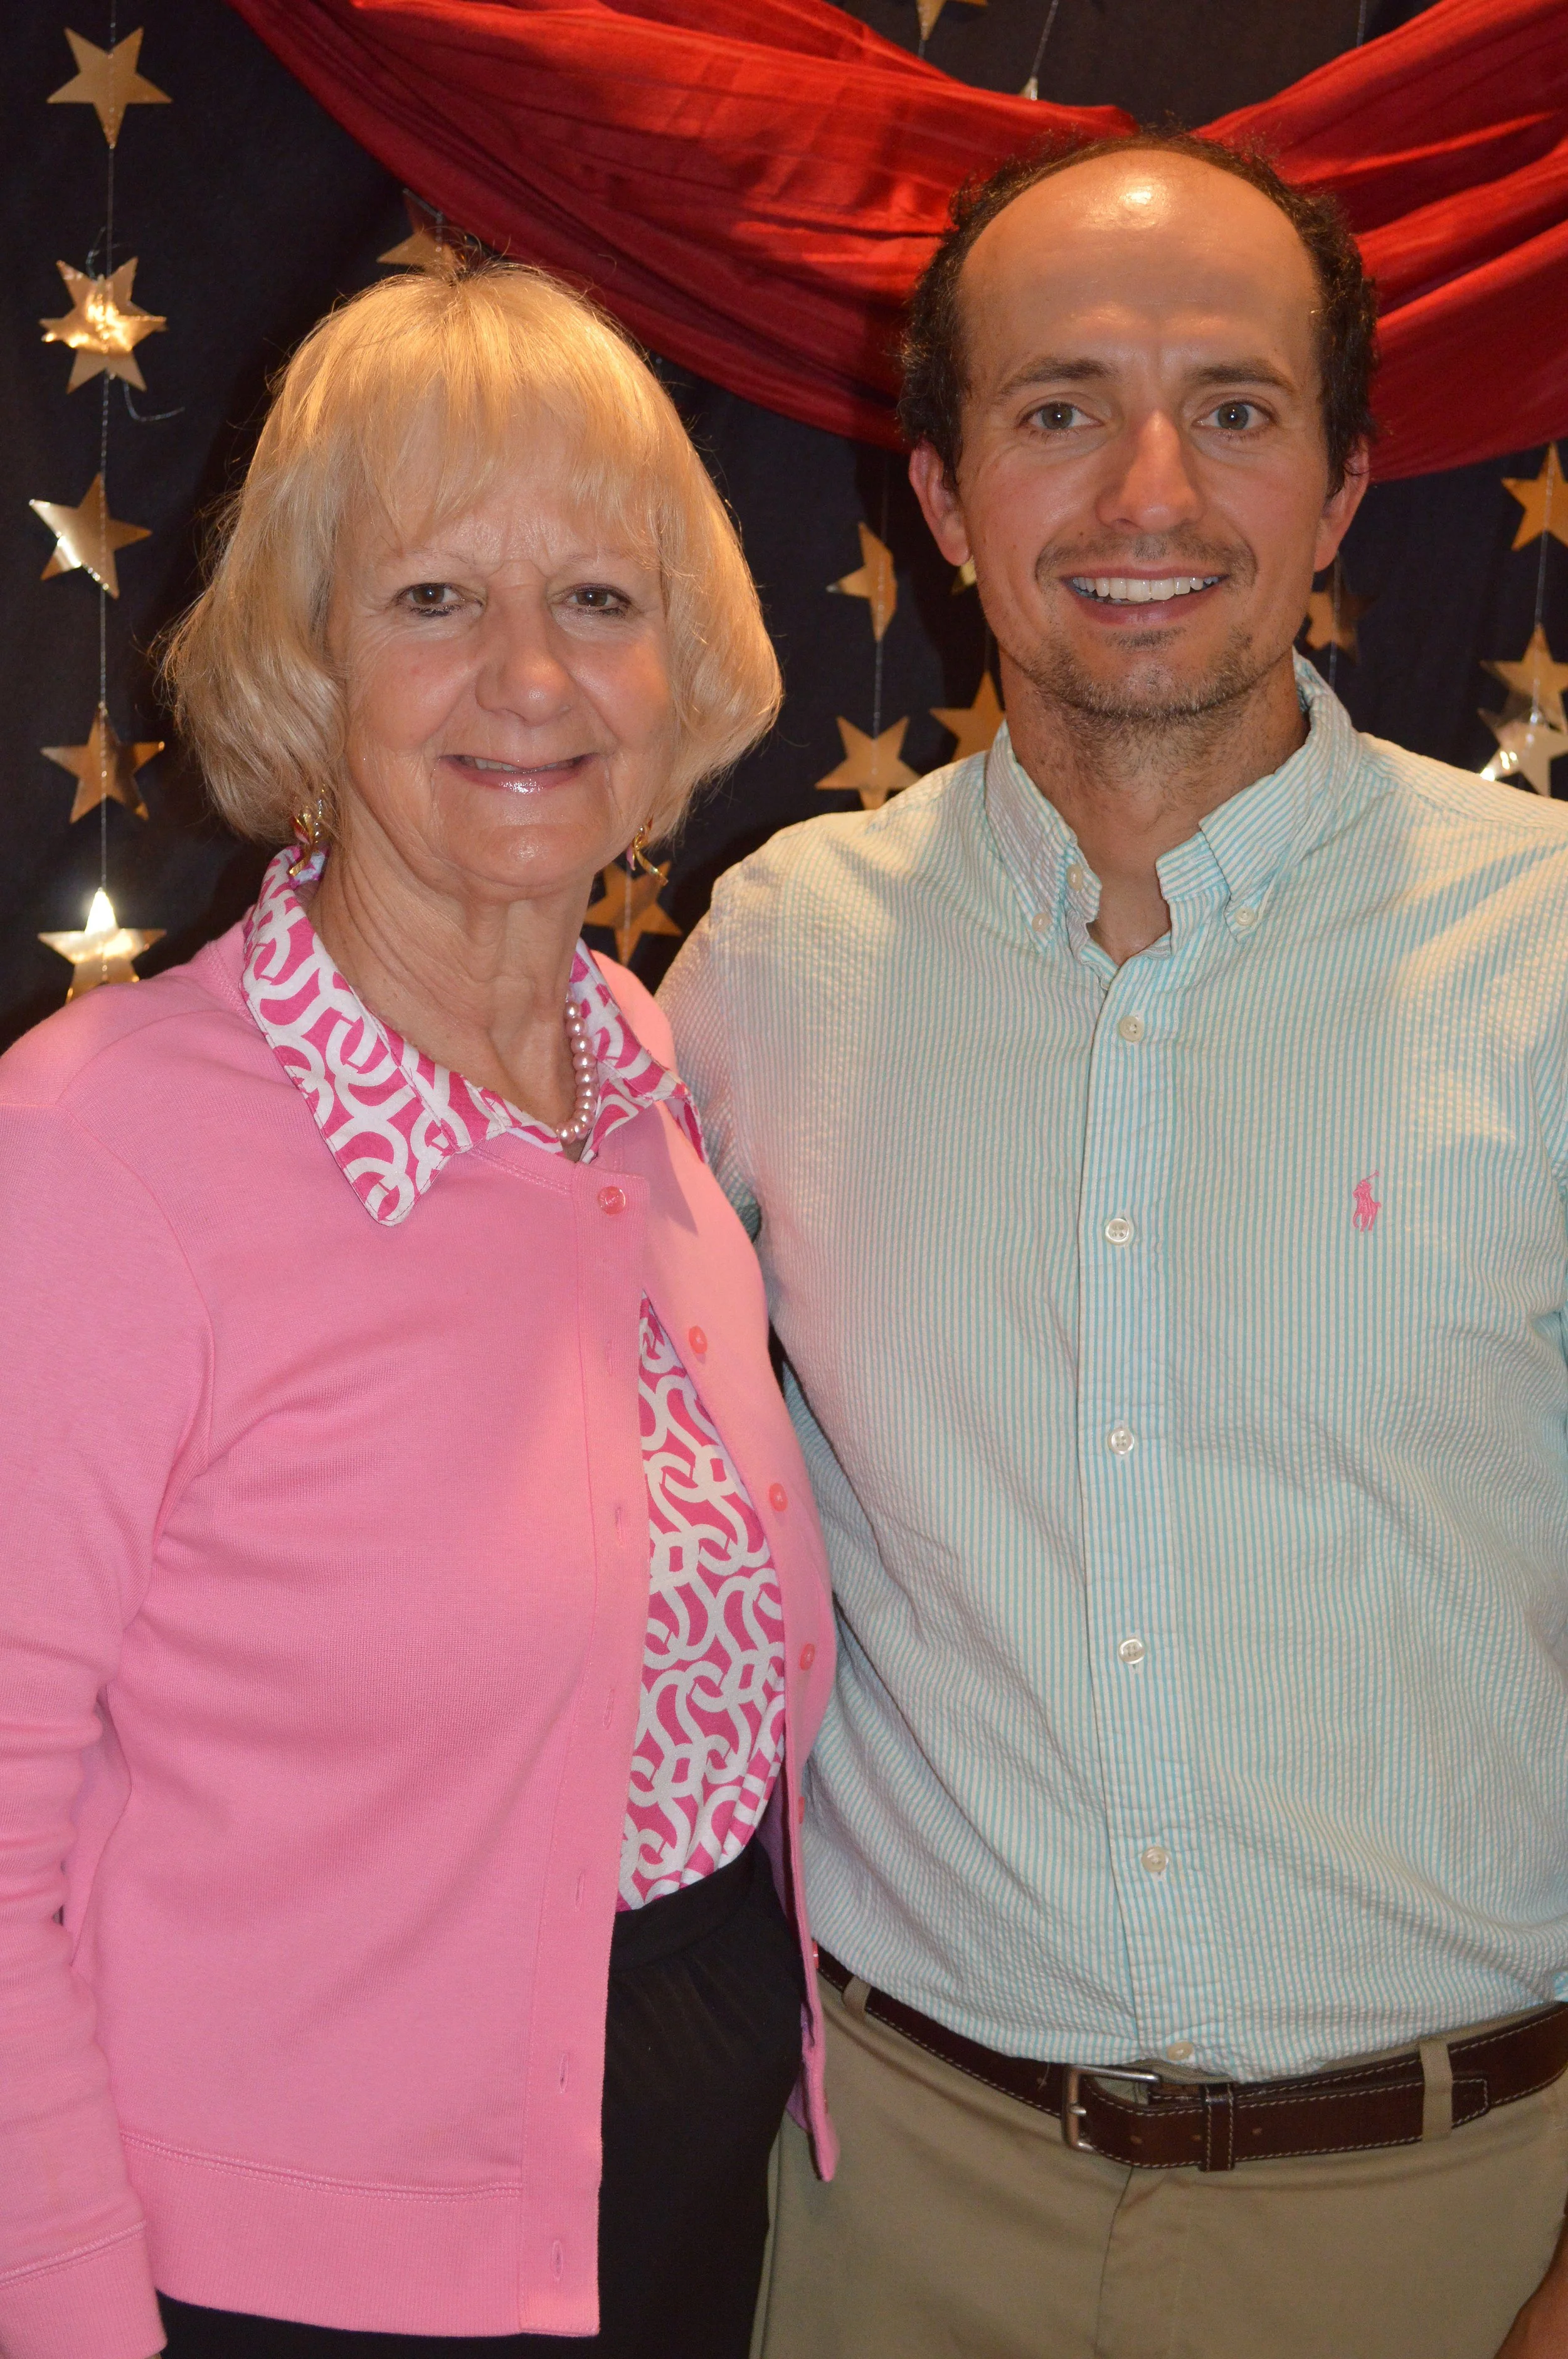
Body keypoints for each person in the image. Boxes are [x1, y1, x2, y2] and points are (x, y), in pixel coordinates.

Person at [660, 130, 1568, 2359]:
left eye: (1234, 410)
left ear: (1346, 486)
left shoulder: (1544, 956)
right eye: (1059, 406)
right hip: (896, 2210)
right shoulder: (771, 964)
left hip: (1451, 2222)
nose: (1147, 490)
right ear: (946, 492)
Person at [0, 263, 836, 2359]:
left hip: (667, 2207)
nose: (532, 679)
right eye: (433, 601)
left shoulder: (637, 1076)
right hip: (269, 2289)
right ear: (305, 656)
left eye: (600, 600)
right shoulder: (102, 1152)